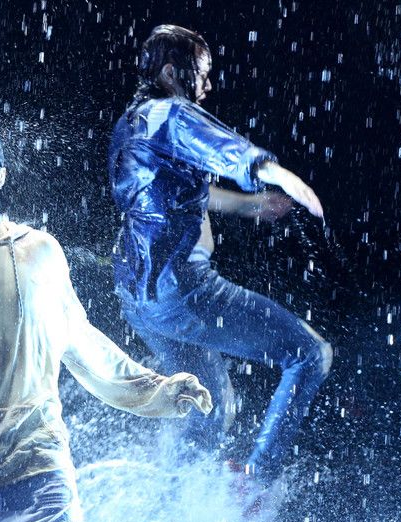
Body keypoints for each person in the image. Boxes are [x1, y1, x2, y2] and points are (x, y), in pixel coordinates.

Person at [0, 122, 213, 522]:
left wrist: (158, 389)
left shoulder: (40, 250)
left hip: (39, 474)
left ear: (2, 175)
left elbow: (81, 342)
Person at [109, 25, 331, 494]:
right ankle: (256, 481)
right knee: (310, 355)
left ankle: (167, 502)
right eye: (202, 73)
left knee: (209, 406)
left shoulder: (132, 123)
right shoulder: (171, 113)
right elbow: (224, 148)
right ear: (171, 73)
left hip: (138, 298)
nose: (208, 85)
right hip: (182, 291)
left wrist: (251, 206)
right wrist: (276, 174)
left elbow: (182, 192)